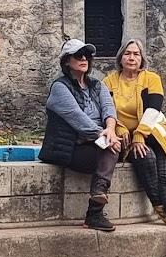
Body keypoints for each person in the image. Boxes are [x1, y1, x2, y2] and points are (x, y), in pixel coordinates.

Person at [103, 40, 166, 253]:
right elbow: (106, 110)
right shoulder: (109, 82)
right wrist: (122, 130)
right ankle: (159, 205)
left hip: (156, 134)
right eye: (128, 54)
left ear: (142, 59)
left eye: (136, 54)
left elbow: (154, 109)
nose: (132, 58)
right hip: (125, 137)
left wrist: (140, 135)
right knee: (144, 157)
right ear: (120, 58)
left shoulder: (152, 79)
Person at [38, 39, 121, 232]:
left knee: (117, 144)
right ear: (67, 61)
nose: (84, 58)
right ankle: (95, 211)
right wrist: (105, 136)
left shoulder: (97, 85)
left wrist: (110, 129)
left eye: (87, 55)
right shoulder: (60, 88)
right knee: (112, 147)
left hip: (97, 143)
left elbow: (109, 108)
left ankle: (97, 200)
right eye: (78, 55)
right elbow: (79, 120)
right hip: (69, 149)